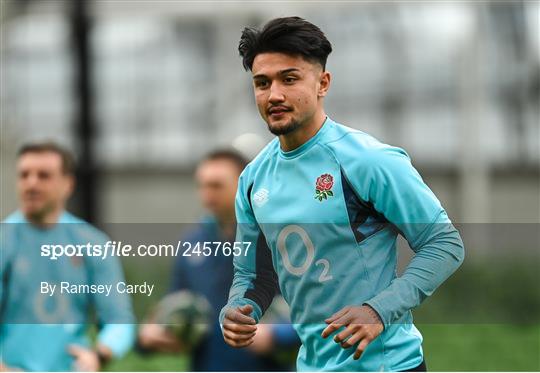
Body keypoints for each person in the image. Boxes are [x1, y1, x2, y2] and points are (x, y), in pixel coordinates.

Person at [219, 17, 465, 372]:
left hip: (388, 365)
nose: (274, 94)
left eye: (289, 79)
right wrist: (239, 309)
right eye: (262, 83)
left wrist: (378, 310)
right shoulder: (253, 180)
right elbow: (254, 274)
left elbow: (444, 243)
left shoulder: (367, 160)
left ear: (323, 83)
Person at [138, 149, 299, 371]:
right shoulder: (191, 243)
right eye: (202, 186)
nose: (207, 195)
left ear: (245, 183)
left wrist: (278, 335)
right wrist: (151, 335)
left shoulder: (281, 239)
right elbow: (174, 304)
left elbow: (320, 313)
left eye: (216, 185)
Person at [0, 142, 135, 371]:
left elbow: (119, 320)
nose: (31, 183)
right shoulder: (5, 239)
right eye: (24, 175)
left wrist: (98, 355)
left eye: (44, 176)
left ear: (68, 184)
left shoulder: (92, 242)